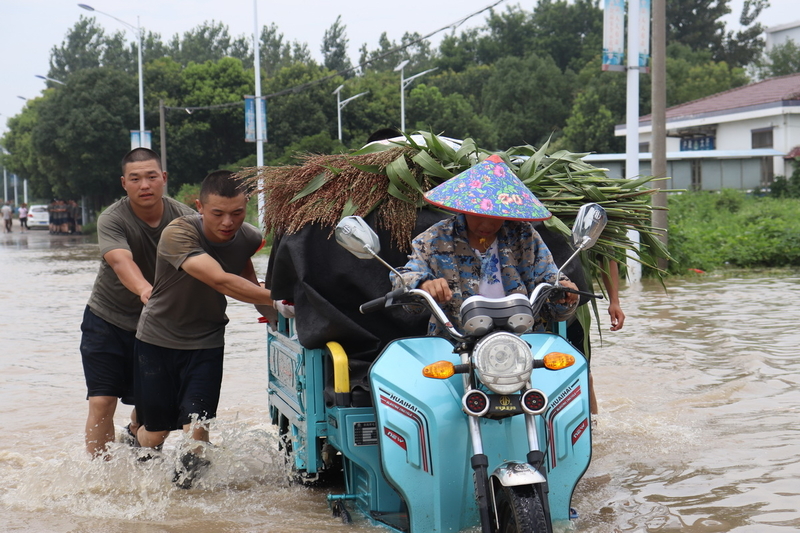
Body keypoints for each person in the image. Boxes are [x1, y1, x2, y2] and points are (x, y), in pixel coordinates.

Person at [134, 170, 273, 488]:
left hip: (207, 342)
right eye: (218, 214)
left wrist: (285, 319)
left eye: (237, 213)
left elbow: (247, 286)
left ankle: (186, 499)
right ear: (199, 206)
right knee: (156, 433)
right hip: (157, 341)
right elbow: (220, 280)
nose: (228, 222)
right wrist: (283, 300)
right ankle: (135, 440)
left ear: (246, 207)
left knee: (197, 432)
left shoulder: (249, 238)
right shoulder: (178, 233)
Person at [80, 147, 196, 457]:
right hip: (107, 320)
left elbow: (212, 262)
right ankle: (99, 476)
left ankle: (134, 434)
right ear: (124, 183)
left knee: (153, 407)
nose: (144, 185)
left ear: (164, 179)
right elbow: (121, 262)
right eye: (135, 179)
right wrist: (147, 291)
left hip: (159, 327)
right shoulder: (112, 219)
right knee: (102, 401)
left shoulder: (185, 218)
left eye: (151, 177)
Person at [392, 154, 579, 335]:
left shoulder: (524, 236)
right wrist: (423, 285)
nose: (487, 225)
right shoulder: (435, 238)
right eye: (479, 215)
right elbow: (403, 280)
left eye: (496, 217)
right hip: (455, 343)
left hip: (520, 341)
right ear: (465, 207)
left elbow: (551, 292)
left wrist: (565, 294)